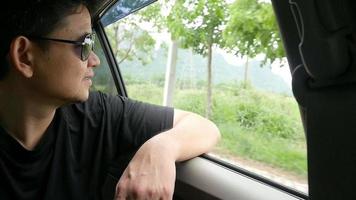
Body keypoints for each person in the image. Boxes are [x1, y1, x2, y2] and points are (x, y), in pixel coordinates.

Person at [0, 0, 220, 199]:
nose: (95, 60)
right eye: (84, 44)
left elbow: (204, 127)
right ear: (24, 56)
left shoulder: (97, 114)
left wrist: (163, 147)